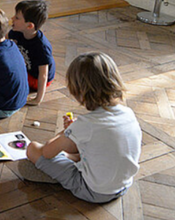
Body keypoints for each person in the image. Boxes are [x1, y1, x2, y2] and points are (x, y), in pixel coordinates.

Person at [26, 52, 141, 203]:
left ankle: (61, 174)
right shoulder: (129, 113)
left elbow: (47, 152)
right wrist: (73, 133)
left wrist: (66, 132)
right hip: (123, 185)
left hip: (94, 191)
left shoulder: (86, 124)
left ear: (79, 91)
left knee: (33, 148)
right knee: (80, 147)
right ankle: (74, 161)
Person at [8, 0, 55, 106]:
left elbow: (43, 75)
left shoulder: (42, 46)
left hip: (36, 78)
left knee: (9, 77)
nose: (12, 18)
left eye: (17, 18)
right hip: (28, 69)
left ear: (29, 26)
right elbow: (2, 40)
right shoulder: (17, 32)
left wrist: (38, 99)